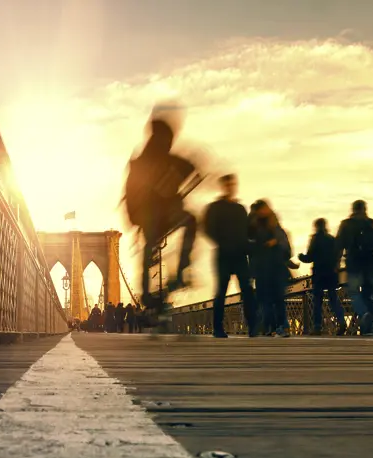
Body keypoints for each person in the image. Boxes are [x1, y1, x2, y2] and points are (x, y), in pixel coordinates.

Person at [124, 105, 199, 310]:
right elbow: (131, 197)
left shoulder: (157, 160)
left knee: (189, 222)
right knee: (159, 237)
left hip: (164, 216)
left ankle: (177, 271)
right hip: (149, 217)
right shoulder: (140, 164)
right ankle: (153, 291)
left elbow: (192, 167)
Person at [202, 173, 258, 338]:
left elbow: (248, 232)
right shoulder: (215, 207)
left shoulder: (240, 209)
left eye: (233, 184)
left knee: (247, 291)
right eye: (228, 184)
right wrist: (223, 242)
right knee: (221, 292)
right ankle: (218, 329)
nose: (231, 187)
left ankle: (253, 327)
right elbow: (208, 229)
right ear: (223, 186)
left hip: (240, 255)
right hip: (224, 255)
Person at [335, 200, 373, 336]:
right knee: (368, 293)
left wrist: (336, 263)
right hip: (371, 262)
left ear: (353, 209)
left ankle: (363, 313)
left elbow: (338, 245)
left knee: (354, 292)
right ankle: (368, 329)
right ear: (365, 209)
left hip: (354, 262)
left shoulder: (346, 224)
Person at [248, 199, 292, 337]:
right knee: (271, 299)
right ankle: (274, 327)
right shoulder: (257, 228)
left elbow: (285, 247)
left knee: (272, 299)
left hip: (271, 268)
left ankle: (276, 327)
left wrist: (276, 243)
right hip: (268, 268)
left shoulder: (273, 226)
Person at [299, 218, 347, 336]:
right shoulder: (332, 239)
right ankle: (341, 320)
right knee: (333, 298)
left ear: (316, 227)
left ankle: (317, 327)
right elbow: (338, 254)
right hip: (331, 273)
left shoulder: (315, 239)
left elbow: (310, 257)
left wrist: (301, 257)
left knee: (317, 301)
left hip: (319, 273)